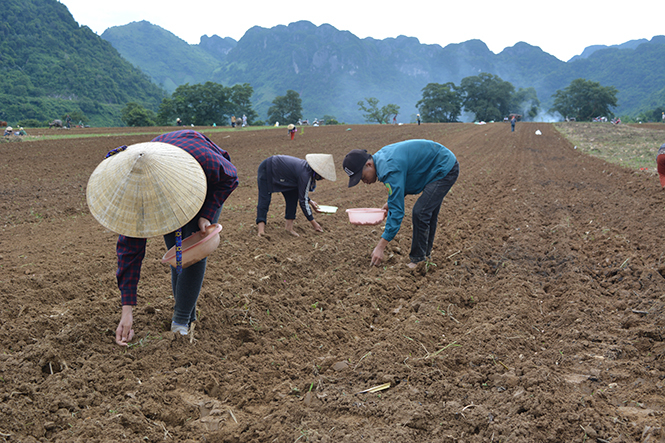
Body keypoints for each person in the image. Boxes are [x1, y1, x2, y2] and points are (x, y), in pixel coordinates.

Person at [86, 130, 239, 345]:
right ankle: (188, 314)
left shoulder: (204, 160)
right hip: (163, 176)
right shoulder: (134, 192)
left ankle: (181, 321)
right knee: (178, 255)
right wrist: (127, 311)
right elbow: (129, 252)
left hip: (202, 181)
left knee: (192, 250)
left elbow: (229, 177)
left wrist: (207, 214)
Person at [343, 139, 459, 268]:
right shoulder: (380, 159)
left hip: (443, 168)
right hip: (436, 166)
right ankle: (425, 257)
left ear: (369, 164)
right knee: (426, 212)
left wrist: (380, 247)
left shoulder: (388, 169)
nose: (364, 181)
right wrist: (390, 202)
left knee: (420, 212)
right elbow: (401, 181)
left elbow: (397, 212)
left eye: (362, 177)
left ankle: (418, 260)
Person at [256, 153, 336, 237]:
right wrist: (314, 223)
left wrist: (310, 202)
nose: (323, 179)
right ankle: (261, 231)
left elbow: (301, 192)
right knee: (265, 199)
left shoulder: (307, 170)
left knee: (292, 196)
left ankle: (289, 228)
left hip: (284, 175)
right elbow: (303, 201)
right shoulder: (305, 174)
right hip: (268, 168)